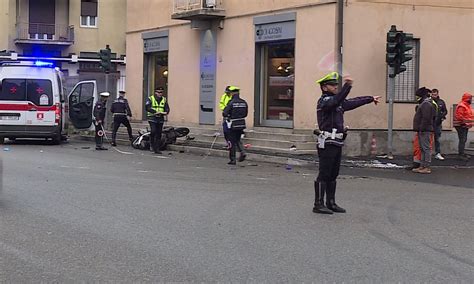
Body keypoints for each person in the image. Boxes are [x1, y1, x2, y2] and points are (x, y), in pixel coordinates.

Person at [313, 72, 380, 214]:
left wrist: (370, 98)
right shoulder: (324, 101)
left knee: (333, 173)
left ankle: (331, 202)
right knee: (324, 174)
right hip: (327, 142)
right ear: (324, 87)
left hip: (337, 142)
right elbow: (336, 101)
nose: (335, 87)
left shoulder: (337, 102)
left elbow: (352, 102)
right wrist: (347, 86)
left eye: (337, 85)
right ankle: (318, 204)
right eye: (332, 85)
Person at [412, 87, 437, 174]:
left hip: (425, 130)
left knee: (426, 149)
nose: (416, 98)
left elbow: (426, 118)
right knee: (422, 148)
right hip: (423, 130)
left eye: (417, 96)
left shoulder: (426, 104)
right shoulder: (424, 103)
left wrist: (421, 128)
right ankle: (422, 166)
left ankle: (426, 167)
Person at [222, 86, 248, 165]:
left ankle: (232, 159)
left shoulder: (231, 102)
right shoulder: (244, 102)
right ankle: (242, 151)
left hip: (232, 124)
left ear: (232, 93)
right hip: (241, 123)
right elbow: (246, 113)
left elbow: (225, 113)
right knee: (237, 139)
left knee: (231, 142)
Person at [145, 87, 170, 154]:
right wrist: (155, 111)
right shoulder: (151, 98)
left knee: (159, 133)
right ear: (155, 92)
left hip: (160, 118)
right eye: (158, 92)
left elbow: (167, 108)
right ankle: (151, 144)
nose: (160, 94)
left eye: (161, 92)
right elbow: (147, 108)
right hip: (152, 117)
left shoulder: (164, 99)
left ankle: (157, 149)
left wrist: (165, 112)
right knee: (153, 131)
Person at [454, 92, 473, 160]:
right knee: (462, 139)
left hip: (464, 125)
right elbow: (460, 117)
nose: (471, 100)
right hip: (461, 125)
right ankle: (460, 154)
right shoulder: (462, 106)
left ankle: (462, 153)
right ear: (467, 99)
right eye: (470, 98)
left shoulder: (466, 105)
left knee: (463, 140)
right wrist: (467, 123)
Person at [431, 89, 448, 160]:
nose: (434, 96)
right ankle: (427, 154)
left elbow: (445, 111)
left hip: (438, 124)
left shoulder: (441, 102)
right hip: (430, 123)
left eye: (435, 94)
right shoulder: (429, 102)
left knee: (437, 139)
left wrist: (442, 116)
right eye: (433, 94)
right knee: (428, 139)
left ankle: (437, 153)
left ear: (438, 94)